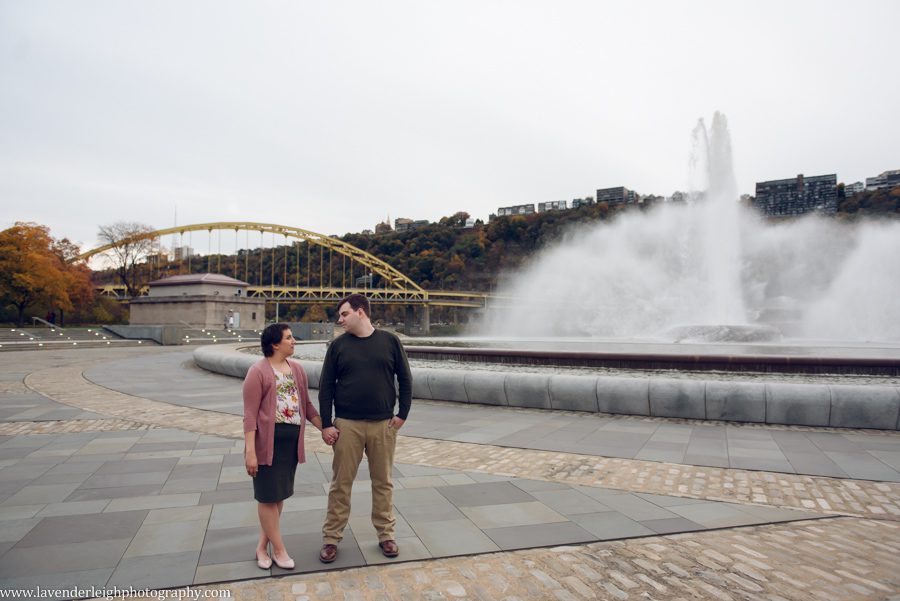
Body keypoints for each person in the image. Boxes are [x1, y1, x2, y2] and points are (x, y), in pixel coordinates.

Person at [318, 293, 412, 563]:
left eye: (344, 314)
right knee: (340, 485)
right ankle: (331, 539)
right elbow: (326, 387)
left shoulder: (390, 341)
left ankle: (386, 535)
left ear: (361, 312)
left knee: (383, 483)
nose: (340, 319)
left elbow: (405, 379)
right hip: (347, 425)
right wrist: (327, 423)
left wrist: (402, 414)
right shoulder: (338, 346)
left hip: (383, 424)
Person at [243, 323, 324, 570]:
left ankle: (260, 548)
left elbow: (307, 407)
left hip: (290, 446)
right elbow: (250, 415)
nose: (293, 341)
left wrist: (325, 428)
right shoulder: (257, 372)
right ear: (275, 344)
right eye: (289, 338)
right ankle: (279, 550)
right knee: (267, 497)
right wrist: (250, 452)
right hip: (267, 445)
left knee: (277, 497)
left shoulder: (297, 370)